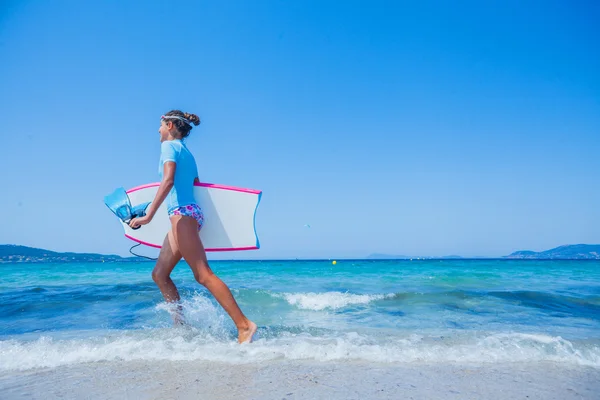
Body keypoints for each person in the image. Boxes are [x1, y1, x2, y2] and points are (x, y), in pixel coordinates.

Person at [129, 110, 257, 344]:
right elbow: (196, 186)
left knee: (202, 274)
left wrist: (148, 216)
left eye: (159, 126)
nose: (157, 131)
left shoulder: (168, 147)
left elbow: (168, 181)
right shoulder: (187, 153)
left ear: (169, 125)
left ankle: (244, 325)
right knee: (159, 274)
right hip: (188, 213)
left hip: (182, 214)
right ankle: (181, 328)